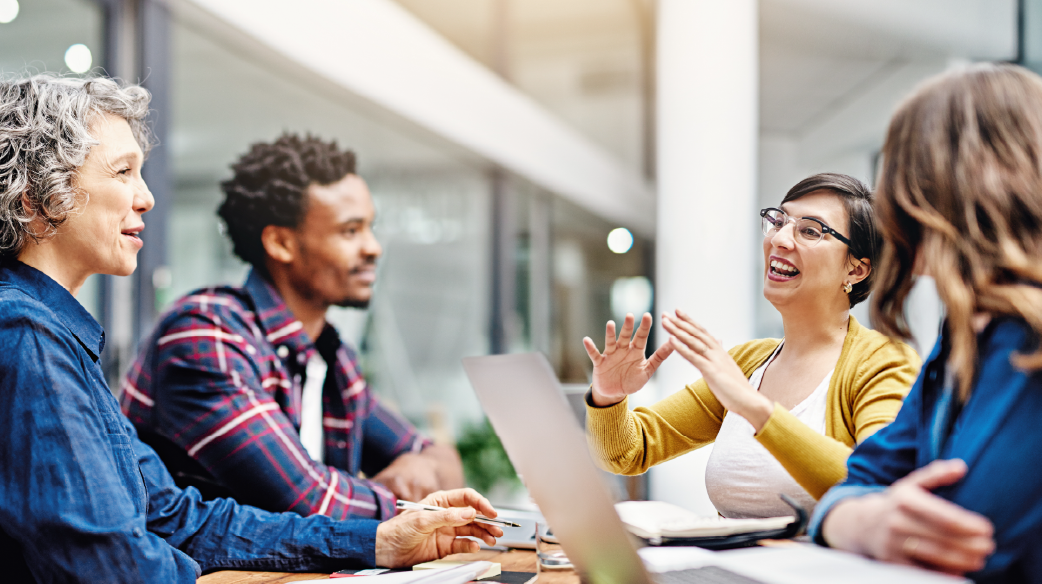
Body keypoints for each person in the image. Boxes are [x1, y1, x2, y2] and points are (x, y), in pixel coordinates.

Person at [0, 74, 500, 583]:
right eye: (123, 172)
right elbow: (114, 566)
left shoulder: (54, 339)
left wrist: (378, 539)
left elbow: (175, 518)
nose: (146, 197)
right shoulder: (27, 336)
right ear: (36, 200)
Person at [120, 133, 463, 520]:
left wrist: (422, 471)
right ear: (281, 243)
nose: (373, 248)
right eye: (350, 231)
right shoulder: (206, 335)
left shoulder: (332, 357)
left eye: (370, 227)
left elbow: (442, 461)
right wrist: (406, 494)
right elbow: (310, 505)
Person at [810, 64, 1042, 582]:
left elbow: (961, 536)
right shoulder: (958, 344)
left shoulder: (1027, 338)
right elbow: (859, 479)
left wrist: (866, 517)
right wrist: (865, 520)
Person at [583, 173, 922, 518]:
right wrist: (608, 397)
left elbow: (877, 486)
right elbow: (626, 452)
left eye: (809, 230)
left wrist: (753, 407)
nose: (780, 239)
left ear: (856, 270)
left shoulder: (884, 362)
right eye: (779, 221)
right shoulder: (749, 361)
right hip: (727, 570)